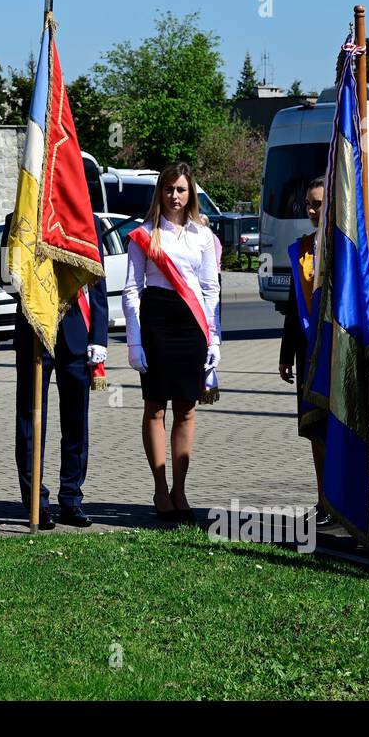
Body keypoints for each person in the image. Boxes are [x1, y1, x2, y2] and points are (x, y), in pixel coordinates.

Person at [123, 162, 220, 522]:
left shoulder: (203, 236)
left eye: (181, 189)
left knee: (187, 408)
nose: (174, 196)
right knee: (155, 407)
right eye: (168, 189)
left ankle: (181, 489)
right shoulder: (144, 235)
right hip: (157, 322)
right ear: (159, 192)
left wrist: (214, 339)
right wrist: (135, 342)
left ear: (190, 192)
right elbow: (132, 291)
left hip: (191, 326)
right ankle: (160, 487)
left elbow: (211, 290)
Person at [0, 211, 108, 530]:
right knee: (31, 419)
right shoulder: (17, 218)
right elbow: (4, 281)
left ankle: (72, 498)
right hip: (34, 330)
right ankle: (36, 501)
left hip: (75, 331)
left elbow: (97, 279)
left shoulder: (83, 221)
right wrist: (26, 279)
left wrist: (98, 335)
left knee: (76, 420)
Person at [278, 177, 330, 527]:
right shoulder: (303, 248)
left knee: (340, 429)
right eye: (310, 204)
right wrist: (286, 353)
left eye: (321, 204)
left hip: (339, 354)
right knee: (315, 430)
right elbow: (294, 307)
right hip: (308, 354)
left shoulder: (347, 247)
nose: (313, 211)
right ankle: (324, 500)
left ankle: (346, 500)